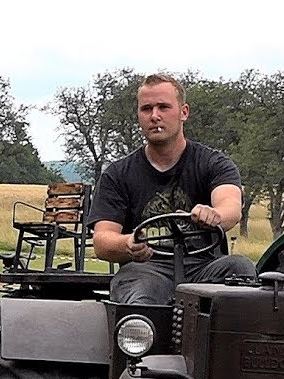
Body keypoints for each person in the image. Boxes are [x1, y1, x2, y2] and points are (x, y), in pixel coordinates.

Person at [86, 73, 257, 305]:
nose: (155, 116)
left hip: (205, 267)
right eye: (146, 109)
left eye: (163, 107)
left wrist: (214, 215)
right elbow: (102, 240)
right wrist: (127, 243)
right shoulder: (117, 174)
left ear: (183, 112)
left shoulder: (214, 163)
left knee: (241, 268)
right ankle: (141, 337)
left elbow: (231, 206)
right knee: (138, 294)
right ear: (138, 116)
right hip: (146, 270)